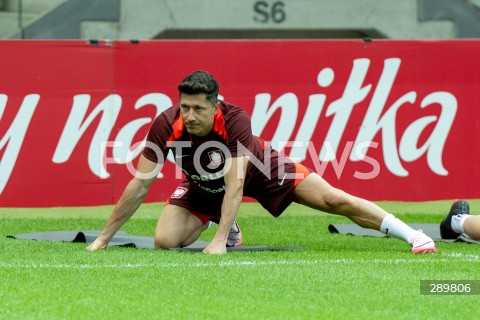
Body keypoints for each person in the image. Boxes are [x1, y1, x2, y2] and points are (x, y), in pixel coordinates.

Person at [87, 70, 437, 254]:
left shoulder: (235, 118)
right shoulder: (167, 124)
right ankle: (223, 223)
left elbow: (237, 182)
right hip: (203, 184)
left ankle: (413, 236)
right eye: (185, 107)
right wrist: (103, 238)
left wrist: (219, 242)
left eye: (198, 108)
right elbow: (140, 183)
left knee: (334, 199)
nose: (190, 115)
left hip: (260, 171)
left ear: (215, 104)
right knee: (164, 241)